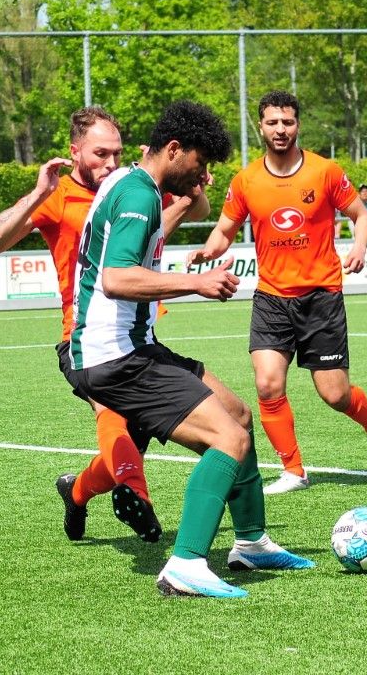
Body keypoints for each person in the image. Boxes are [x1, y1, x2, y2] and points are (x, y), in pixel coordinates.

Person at [68, 99, 313, 599]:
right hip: (115, 357)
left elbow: (187, 209)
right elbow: (116, 279)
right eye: (199, 163)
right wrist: (196, 283)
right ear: (174, 150)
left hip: (130, 347)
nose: (203, 175)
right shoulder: (137, 196)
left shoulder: (137, 185)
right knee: (228, 439)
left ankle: (250, 542)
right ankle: (186, 565)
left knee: (239, 415)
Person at [0, 106, 205, 542]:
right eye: (101, 154)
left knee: (126, 448)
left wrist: (190, 182)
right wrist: (38, 191)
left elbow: (192, 211)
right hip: (84, 337)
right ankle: (134, 494)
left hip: (139, 335)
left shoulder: (132, 187)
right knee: (111, 417)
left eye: (118, 154)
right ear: (75, 152)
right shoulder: (59, 196)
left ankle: (77, 490)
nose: (110, 163)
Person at [189, 90, 367, 495]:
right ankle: (294, 470)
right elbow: (224, 231)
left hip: (320, 296)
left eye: (287, 122)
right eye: (272, 122)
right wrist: (208, 251)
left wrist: (358, 247)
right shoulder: (246, 180)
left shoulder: (324, 172)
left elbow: (361, 215)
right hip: (271, 297)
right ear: (261, 126)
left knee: (334, 394)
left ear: (297, 124)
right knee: (267, 384)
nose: (280, 129)